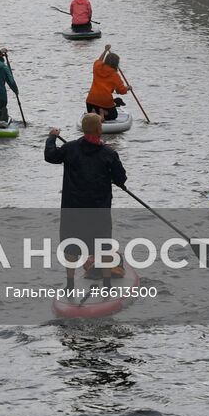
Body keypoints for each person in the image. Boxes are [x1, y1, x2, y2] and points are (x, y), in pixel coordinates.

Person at [44, 114, 128, 291]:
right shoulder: (109, 154)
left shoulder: (69, 148)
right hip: (98, 211)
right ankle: (107, 285)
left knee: (71, 246)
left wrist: (52, 137)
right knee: (103, 246)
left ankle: (70, 284)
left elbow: (50, 156)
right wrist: (114, 177)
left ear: (83, 129)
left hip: (73, 210)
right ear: (98, 130)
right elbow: (121, 178)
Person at [86, 46, 128, 121]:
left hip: (91, 100)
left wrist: (105, 50)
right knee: (114, 115)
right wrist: (128, 88)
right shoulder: (115, 75)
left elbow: (99, 60)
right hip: (105, 102)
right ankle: (103, 113)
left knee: (92, 111)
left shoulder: (97, 67)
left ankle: (95, 112)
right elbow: (121, 91)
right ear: (116, 64)